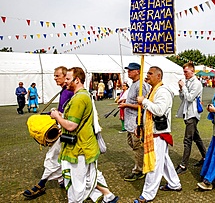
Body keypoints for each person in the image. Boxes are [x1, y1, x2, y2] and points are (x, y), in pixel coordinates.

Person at [50, 67, 119, 203]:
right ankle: (107, 196)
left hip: (79, 148)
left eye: (68, 79)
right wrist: (61, 116)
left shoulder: (79, 98)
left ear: (77, 80)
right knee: (85, 179)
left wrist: (57, 117)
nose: (66, 82)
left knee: (77, 185)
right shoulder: (82, 95)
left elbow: (71, 125)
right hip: (82, 146)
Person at [23, 66, 74, 199]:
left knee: (52, 157)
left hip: (67, 131)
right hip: (63, 128)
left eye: (57, 76)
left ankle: (41, 184)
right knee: (60, 158)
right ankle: (62, 180)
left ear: (65, 76)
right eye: (54, 76)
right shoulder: (64, 91)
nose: (55, 78)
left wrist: (58, 116)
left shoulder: (70, 92)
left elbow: (70, 115)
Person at [134, 66, 182, 203]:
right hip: (152, 132)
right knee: (164, 160)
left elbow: (159, 110)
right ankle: (174, 183)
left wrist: (143, 101)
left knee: (154, 164)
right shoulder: (152, 90)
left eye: (150, 73)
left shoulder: (163, 92)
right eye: (147, 73)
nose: (147, 75)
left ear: (159, 76)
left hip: (158, 133)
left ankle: (148, 195)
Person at [176, 62, 207, 174]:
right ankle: (205, 157)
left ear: (192, 71)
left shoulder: (197, 83)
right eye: (184, 71)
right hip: (187, 113)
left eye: (186, 71)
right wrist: (181, 89)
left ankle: (183, 165)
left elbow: (189, 98)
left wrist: (183, 87)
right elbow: (182, 97)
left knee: (187, 140)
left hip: (193, 114)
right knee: (196, 137)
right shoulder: (188, 82)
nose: (184, 74)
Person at [121, 62, 150, 181]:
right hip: (130, 121)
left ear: (138, 71)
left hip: (136, 121)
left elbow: (143, 105)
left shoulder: (140, 86)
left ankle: (139, 170)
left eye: (131, 70)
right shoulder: (133, 84)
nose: (128, 72)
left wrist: (126, 105)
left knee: (137, 146)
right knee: (133, 144)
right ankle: (141, 165)